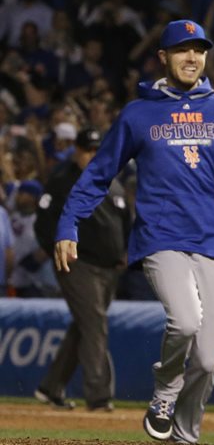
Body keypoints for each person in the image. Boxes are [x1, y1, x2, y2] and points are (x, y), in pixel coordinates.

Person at [52, 20, 214, 443]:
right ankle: (165, 390)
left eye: (198, 50)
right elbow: (98, 175)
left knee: (210, 361)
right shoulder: (139, 114)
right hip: (161, 238)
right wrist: (68, 223)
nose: (191, 57)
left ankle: (186, 438)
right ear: (163, 58)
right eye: (181, 50)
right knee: (186, 320)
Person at [34, 127, 130, 412]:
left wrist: (124, 250)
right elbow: (42, 222)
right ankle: (99, 396)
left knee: (84, 327)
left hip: (109, 268)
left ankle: (50, 388)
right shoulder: (63, 179)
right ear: (76, 150)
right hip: (78, 265)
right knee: (95, 324)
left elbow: (125, 221)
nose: (91, 154)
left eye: (96, 149)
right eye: (86, 149)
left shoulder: (112, 181)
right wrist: (57, 249)